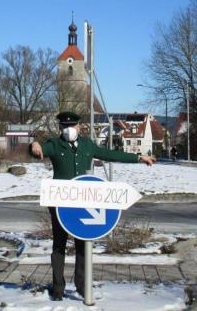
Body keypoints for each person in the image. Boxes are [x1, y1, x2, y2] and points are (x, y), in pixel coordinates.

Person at [29, 111, 156, 301]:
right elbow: (36, 151)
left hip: (83, 204)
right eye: (65, 126)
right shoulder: (54, 144)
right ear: (60, 128)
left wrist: (138, 158)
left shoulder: (87, 144)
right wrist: (34, 145)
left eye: (72, 126)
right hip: (60, 204)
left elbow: (110, 154)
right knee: (59, 245)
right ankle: (58, 288)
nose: (69, 129)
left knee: (83, 245)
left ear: (79, 126)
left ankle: (82, 285)